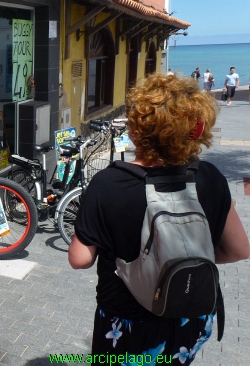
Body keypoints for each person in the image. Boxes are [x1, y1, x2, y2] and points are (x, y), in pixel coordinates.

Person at [68, 73, 249, 365]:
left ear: (138, 128)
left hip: (125, 322)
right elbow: (239, 250)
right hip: (190, 318)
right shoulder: (210, 179)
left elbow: (80, 259)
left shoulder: (108, 184)